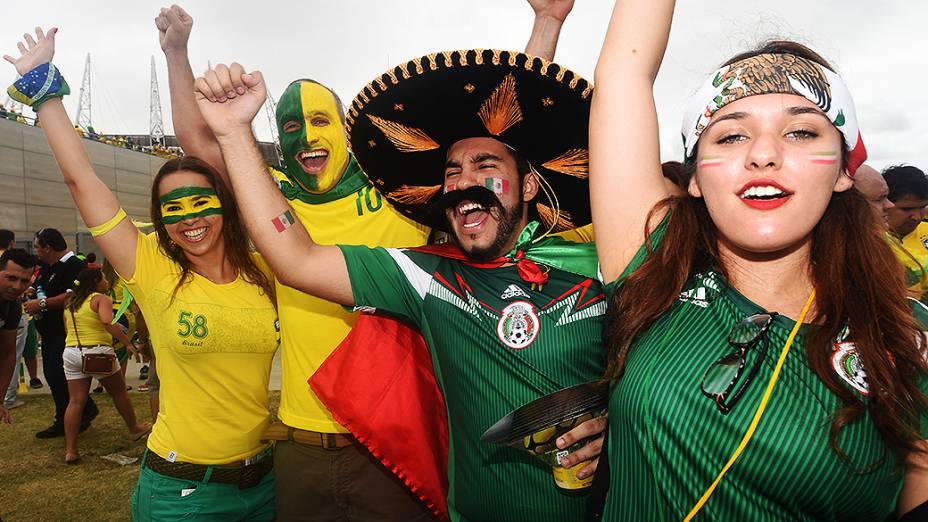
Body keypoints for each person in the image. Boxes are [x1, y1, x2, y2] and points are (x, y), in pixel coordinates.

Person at [158, 2, 580, 519]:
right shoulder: (272, 200)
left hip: (390, 441)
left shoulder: (394, 201)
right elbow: (201, 145)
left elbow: (497, 144)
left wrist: (545, 26)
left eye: (319, 121)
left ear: (344, 129)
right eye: (291, 127)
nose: (307, 138)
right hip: (302, 441)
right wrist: (176, 52)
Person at [590, 0, 928, 519]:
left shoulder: (908, 334)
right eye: (731, 134)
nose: (763, 153)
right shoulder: (654, 270)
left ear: (843, 170)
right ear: (696, 178)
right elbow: (623, 72)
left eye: (801, 132)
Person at [5, 27, 279, 521]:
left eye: (202, 202)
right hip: (182, 493)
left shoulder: (266, 271)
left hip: (265, 485)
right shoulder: (149, 264)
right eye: (173, 208)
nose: (190, 218)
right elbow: (81, 179)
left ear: (226, 206)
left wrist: (180, 56)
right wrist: (43, 90)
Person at [61, 268, 150, 464]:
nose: (106, 280)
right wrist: (127, 342)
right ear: (95, 281)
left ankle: (71, 450)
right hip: (98, 352)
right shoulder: (101, 299)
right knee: (119, 392)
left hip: (72, 352)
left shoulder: (70, 302)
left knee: (75, 401)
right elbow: (107, 322)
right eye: (102, 278)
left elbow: (67, 328)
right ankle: (134, 428)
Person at [23, 227, 95, 438]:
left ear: (48, 247)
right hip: (49, 331)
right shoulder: (48, 267)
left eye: (37, 247)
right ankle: (76, 412)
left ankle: (72, 416)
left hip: (66, 332)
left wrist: (41, 304)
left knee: (59, 374)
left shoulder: (74, 266)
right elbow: (41, 288)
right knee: (54, 375)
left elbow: (71, 296)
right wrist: (31, 292)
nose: (35, 251)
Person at [0, 248, 36, 424]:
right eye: (11, 278)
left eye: (24, 281)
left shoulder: (13, 305)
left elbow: (8, 353)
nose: (17, 287)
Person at [885, 165, 928, 301]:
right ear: (884, 203)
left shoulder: (926, 229)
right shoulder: (866, 240)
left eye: (922, 207)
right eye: (906, 209)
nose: (916, 216)